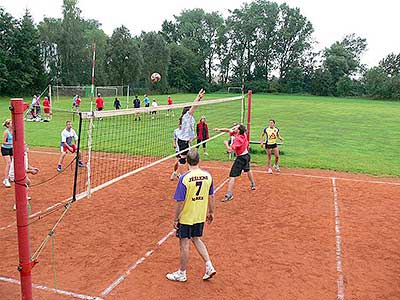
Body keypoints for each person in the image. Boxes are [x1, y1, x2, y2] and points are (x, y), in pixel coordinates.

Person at [166, 150, 216, 282]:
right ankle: (209, 265)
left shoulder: (184, 178)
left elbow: (180, 201)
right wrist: (211, 212)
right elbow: (211, 196)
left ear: (187, 162)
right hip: (199, 215)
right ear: (199, 161)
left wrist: (176, 218)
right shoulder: (208, 176)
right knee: (196, 239)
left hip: (187, 216)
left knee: (184, 243)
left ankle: (182, 273)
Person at [215, 124, 256, 202]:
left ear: (239, 130)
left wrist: (226, 143)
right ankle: (253, 184)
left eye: (236, 127)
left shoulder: (238, 139)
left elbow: (230, 150)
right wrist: (219, 129)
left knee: (232, 176)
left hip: (241, 158)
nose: (234, 128)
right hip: (247, 155)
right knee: (247, 169)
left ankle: (229, 194)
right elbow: (228, 130)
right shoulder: (242, 134)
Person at [176, 89, 206, 175]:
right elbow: (194, 106)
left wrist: (191, 138)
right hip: (183, 141)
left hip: (185, 140)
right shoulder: (187, 116)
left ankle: (186, 173)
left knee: (188, 157)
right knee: (183, 159)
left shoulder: (189, 118)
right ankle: (181, 176)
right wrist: (198, 97)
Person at [9, 144, 39, 210]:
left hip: (20, 173)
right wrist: (32, 171)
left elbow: (27, 165)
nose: (27, 147)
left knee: (28, 183)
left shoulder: (24, 154)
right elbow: (23, 170)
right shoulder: (20, 156)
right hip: (14, 174)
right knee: (22, 187)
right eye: (25, 146)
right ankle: (16, 204)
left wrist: (33, 168)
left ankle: (25, 196)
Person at [2, 119, 13, 187]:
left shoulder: (13, 130)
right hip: (5, 149)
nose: (13, 124)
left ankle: (10, 176)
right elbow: (3, 142)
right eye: (11, 123)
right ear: (8, 125)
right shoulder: (6, 132)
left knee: (12, 163)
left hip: (11, 149)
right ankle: (6, 180)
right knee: (8, 163)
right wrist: (11, 143)